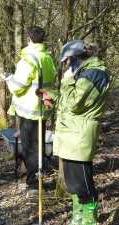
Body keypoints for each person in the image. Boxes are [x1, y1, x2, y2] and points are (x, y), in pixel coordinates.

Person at [39, 40, 109, 225]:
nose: (66, 65)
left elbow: (74, 103)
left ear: (75, 57)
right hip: (71, 133)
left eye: (67, 61)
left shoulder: (94, 74)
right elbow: (70, 101)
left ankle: (89, 220)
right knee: (72, 183)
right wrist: (52, 96)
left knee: (83, 183)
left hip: (80, 134)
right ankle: (78, 216)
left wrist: (68, 80)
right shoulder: (84, 73)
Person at [0, 26, 56, 197]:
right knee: (38, 146)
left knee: (30, 149)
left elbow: (17, 87)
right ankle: (35, 181)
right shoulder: (47, 58)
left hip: (29, 111)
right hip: (42, 110)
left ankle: (33, 185)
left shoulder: (28, 59)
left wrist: (9, 78)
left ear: (28, 39)